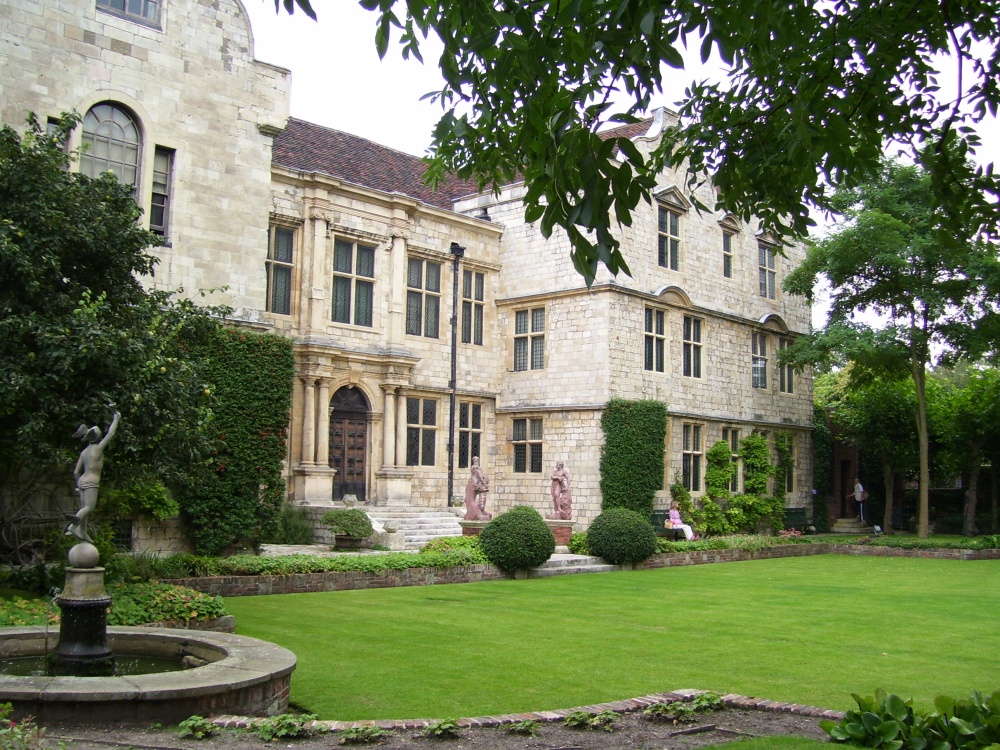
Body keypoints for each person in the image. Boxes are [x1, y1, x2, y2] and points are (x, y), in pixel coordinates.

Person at [66, 409, 121, 543]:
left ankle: (83, 532)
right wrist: (116, 419)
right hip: (92, 481)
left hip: (82, 481)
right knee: (89, 508)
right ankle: (73, 526)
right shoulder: (98, 449)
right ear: (97, 437)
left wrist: (78, 485)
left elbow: (76, 472)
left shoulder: (84, 452)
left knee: (84, 510)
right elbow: (111, 433)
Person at [463, 456, 492, 521]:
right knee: (472, 498)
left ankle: (480, 511)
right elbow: (479, 476)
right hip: (475, 483)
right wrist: (484, 483)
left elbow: (480, 475)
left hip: (472, 482)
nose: (476, 461)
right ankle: (475, 513)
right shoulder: (476, 468)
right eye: (476, 460)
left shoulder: (474, 467)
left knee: (471, 498)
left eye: (477, 460)